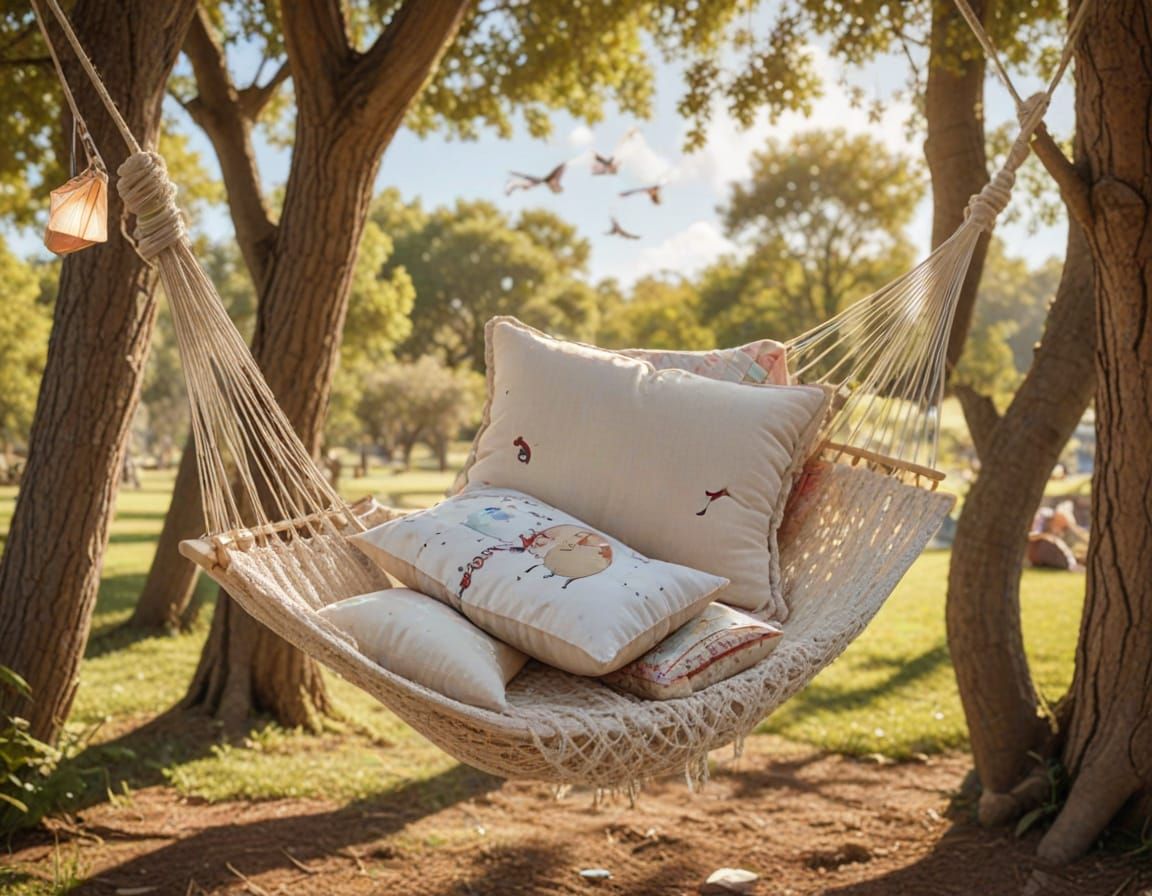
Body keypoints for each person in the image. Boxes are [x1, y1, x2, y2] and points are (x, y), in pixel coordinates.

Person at [1027, 499, 1088, 570]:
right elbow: (1030, 536)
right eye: (1062, 525)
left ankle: (1072, 564)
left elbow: (1076, 529)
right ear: (1059, 517)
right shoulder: (1043, 516)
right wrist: (1046, 536)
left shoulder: (1056, 526)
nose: (1062, 529)